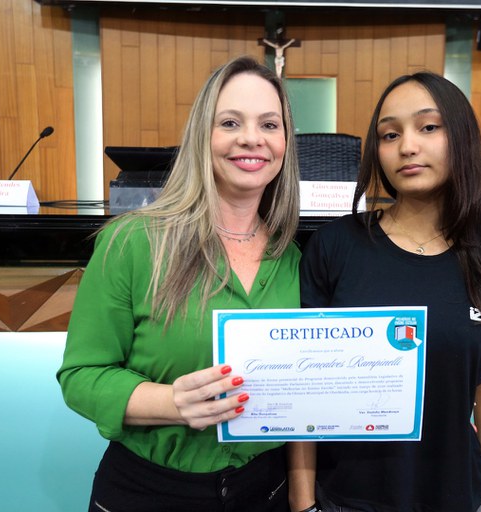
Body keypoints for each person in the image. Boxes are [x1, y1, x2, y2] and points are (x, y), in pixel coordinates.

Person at [57, 56, 301, 512]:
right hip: (150, 493)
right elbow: (81, 377)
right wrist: (171, 402)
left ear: (285, 142)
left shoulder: (294, 257)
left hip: (266, 489)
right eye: (230, 122)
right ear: (201, 136)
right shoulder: (132, 242)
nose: (252, 138)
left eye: (270, 124)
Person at [288, 72, 481, 512]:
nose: (407, 146)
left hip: (456, 495)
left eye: (428, 127)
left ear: (460, 136)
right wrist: (303, 501)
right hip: (345, 497)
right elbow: (303, 386)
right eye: (390, 134)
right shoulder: (335, 246)